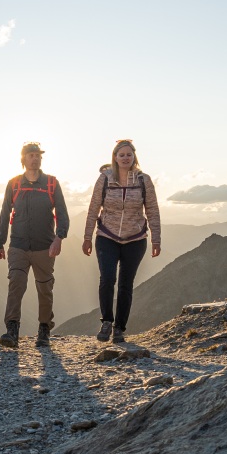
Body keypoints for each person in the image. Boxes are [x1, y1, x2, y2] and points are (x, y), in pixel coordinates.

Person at [80, 139, 160, 344]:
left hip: (135, 238)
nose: (125, 158)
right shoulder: (105, 179)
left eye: (129, 154)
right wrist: (87, 237)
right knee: (107, 279)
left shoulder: (144, 180)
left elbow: (152, 210)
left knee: (126, 284)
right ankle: (106, 321)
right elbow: (93, 208)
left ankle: (119, 328)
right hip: (107, 236)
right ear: (114, 157)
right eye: (121, 154)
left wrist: (156, 240)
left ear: (134, 157)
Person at [0, 141, 71, 348]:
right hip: (18, 245)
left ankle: (44, 330)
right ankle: (12, 330)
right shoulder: (14, 184)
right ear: (23, 159)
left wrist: (59, 238)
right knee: (16, 284)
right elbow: (4, 213)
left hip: (45, 246)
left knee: (45, 289)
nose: (35, 158)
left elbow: (62, 214)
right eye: (31, 155)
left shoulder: (51, 183)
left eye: (37, 155)